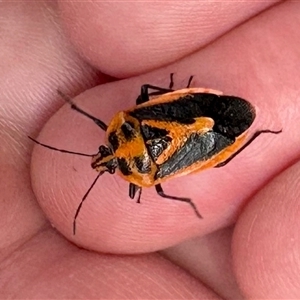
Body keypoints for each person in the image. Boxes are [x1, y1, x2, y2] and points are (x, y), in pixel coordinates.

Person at [1, 1, 299, 298]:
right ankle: (257, 131)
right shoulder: (125, 124)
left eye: (105, 155)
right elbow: (141, 101)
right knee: (148, 93)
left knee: (218, 163)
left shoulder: (145, 176)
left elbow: (163, 191)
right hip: (192, 109)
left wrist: (185, 200)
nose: (102, 160)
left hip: (195, 140)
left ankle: (258, 133)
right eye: (110, 162)